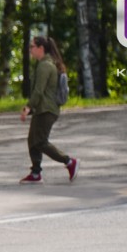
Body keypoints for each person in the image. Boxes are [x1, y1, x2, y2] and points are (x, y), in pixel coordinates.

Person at [19, 36, 79, 184]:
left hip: (47, 110)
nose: (30, 50)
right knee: (33, 140)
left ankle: (69, 162)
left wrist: (28, 107)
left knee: (40, 141)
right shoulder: (44, 64)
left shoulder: (45, 66)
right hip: (43, 109)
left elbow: (39, 91)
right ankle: (35, 173)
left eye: (32, 47)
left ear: (41, 48)